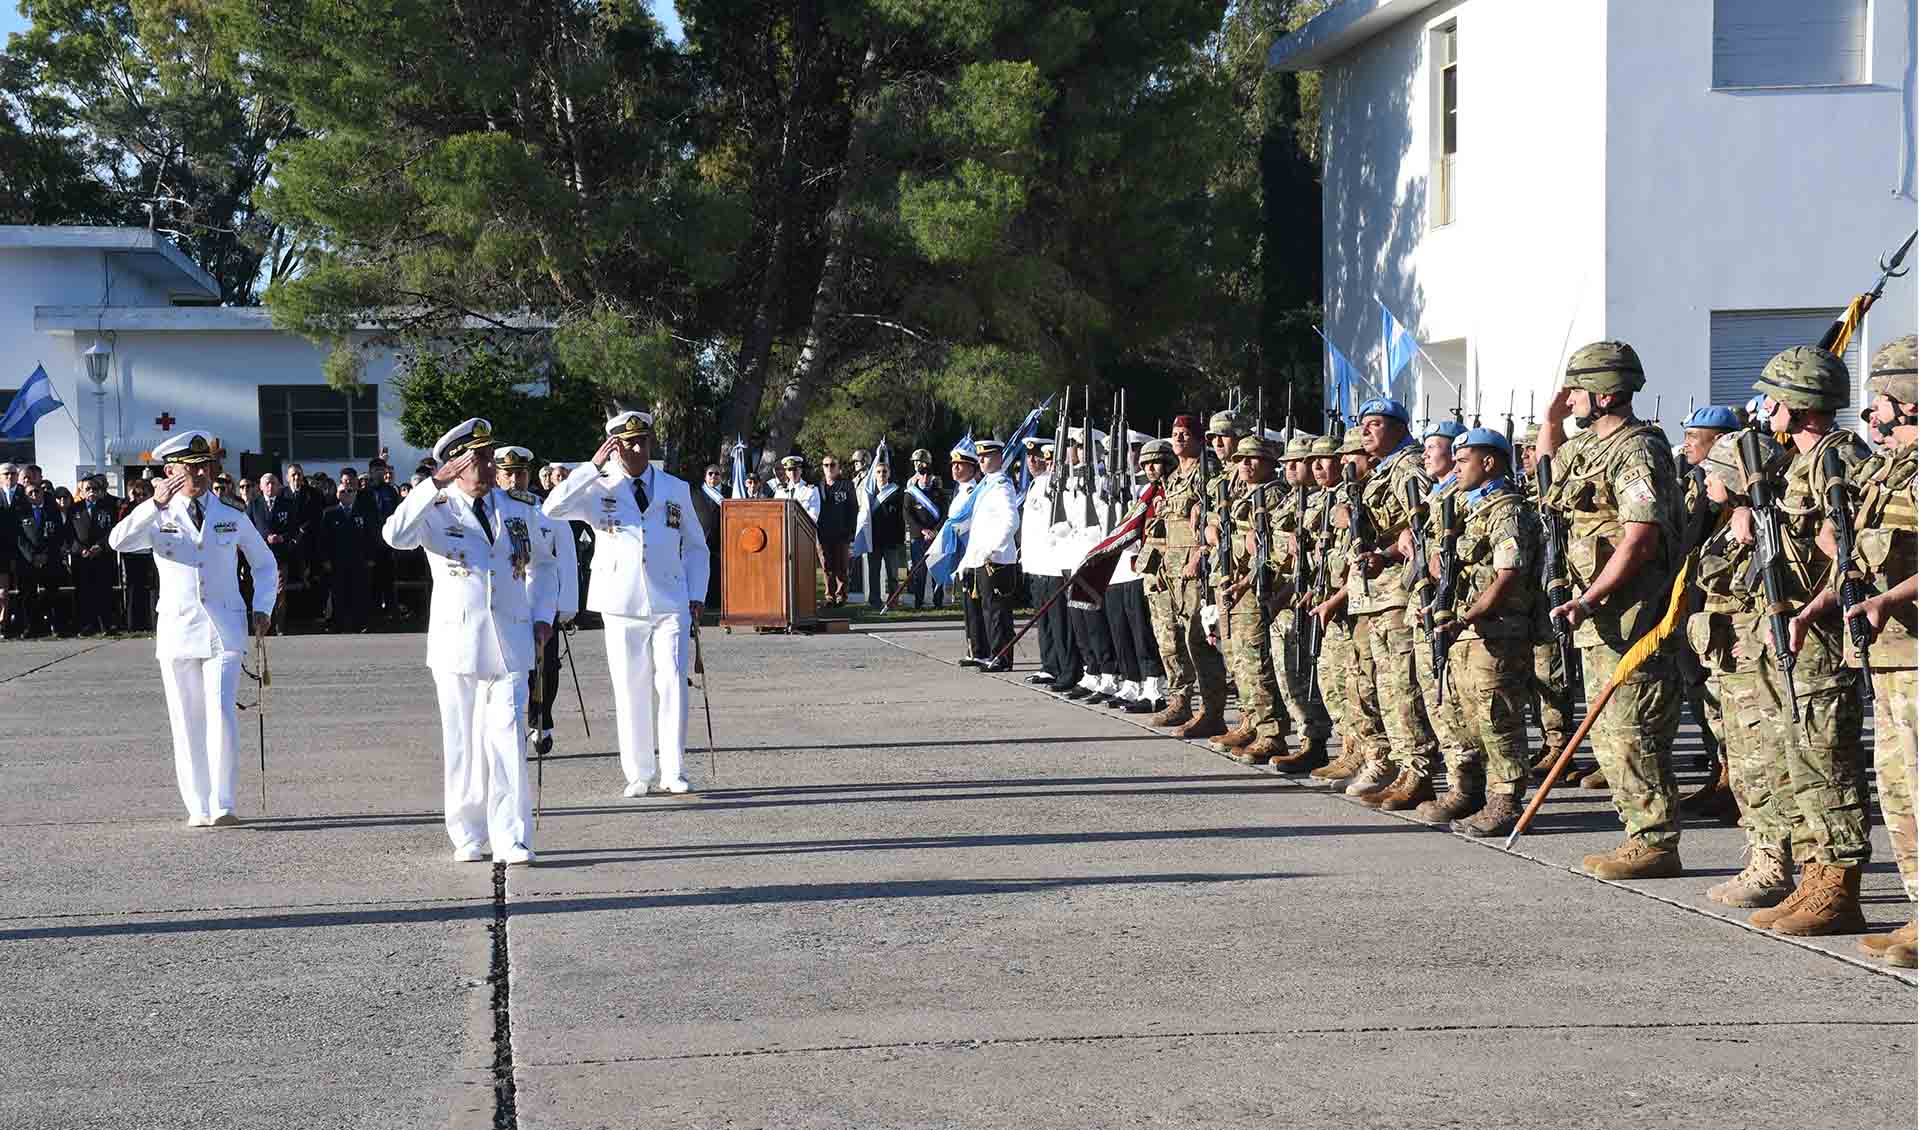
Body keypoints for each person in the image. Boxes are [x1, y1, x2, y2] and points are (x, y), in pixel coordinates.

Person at [1738, 346, 1873, 935]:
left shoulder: (1840, 459)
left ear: (1798, 405)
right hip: (1787, 629)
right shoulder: (1796, 462)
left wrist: (1813, 606)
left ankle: (1839, 888)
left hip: (1819, 635)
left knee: (1827, 759)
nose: (1765, 409)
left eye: (1773, 399)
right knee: (1794, 759)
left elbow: (1851, 556)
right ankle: (1815, 875)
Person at [1539, 341, 1686, 880]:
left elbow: (1639, 538)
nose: (1569, 397)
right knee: (1608, 734)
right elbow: (1550, 476)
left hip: (1633, 615)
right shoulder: (1588, 446)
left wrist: (1589, 597)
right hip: (1600, 617)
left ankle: (1656, 842)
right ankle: (1638, 835)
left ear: (1603, 394)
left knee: (1632, 732)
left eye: (1577, 389)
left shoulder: (1637, 450)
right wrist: (1551, 422)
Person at [383, 419, 554, 863]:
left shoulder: (517, 507)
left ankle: (512, 837)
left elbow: (543, 563)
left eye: (488, 455)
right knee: (462, 743)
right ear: (455, 464)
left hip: (511, 638)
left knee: (508, 737)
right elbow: (395, 536)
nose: (488, 465)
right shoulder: (435, 508)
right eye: (477, 458)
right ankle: (467, 833)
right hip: (457, 642)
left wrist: (542, 614)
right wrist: (432, 484)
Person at [107, 430, 278, 827]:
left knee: (221, 711)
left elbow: (264, 564)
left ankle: (223, 803)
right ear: (170, 472)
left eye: (205, 467)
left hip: (224, 629)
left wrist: (262, 606)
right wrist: (153, 504)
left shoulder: (230, 514)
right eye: (190, 468)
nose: (200, 474)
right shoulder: (157, 515)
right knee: (186, 720)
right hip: (179, 629)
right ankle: (198, 806)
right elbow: (118, 541)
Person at [543, 410, 709, 797]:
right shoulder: (597, 486)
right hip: (620, 600)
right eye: (629, 443)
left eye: (643, 442)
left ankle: (674, 770)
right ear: (614, 447)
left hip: (670, 598)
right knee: (630, 686)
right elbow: (552, 509)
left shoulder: (674, 488)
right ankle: (639, 772)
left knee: (673, 682)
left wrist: (697, 593)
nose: (637, 449)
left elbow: (696, 547)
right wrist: (590, 467)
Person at [1829, 335, 1918, 967]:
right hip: (1888, 655)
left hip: (1913, 651)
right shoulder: (1889, 469)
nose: (1873, 413)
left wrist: (1890, 598)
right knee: (1898, 788)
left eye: (1882, 399)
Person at [1426, 427, 1541, 836]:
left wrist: (1468, 616)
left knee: (1497, 717)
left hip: (1497, 630)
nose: (1455, 469)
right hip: (1469, 628)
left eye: (1463, 461)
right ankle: (1472, 792)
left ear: (1489, 463)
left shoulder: (1506, 510)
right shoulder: (1468, 508)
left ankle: (1506, 800)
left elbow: (1508, 575)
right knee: (1466, 717)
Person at [1342, 397, 1439, 810]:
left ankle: (1418, 771)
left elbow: (1424, 524)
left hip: (1399, 591)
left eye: (1376, 424)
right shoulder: (1383, 469)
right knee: (1385, 685)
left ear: (1399, 428)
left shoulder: (1408, 467)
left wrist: (1388, 552)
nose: (1365, 430)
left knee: (1403, 685)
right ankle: (1402, 767)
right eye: (1363, 423)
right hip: (1378, 594)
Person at [1145, 415, 1230, 736]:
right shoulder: (1173, 478)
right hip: (1171, 569)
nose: (1179, 438)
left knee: (1200, 641)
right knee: (1172, 638)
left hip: (1196, 571)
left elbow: (1212, 520)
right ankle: (1180, 700)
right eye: (1175, 433)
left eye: (1185, 433)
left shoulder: (1206, 472)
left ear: (1198, 439)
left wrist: (1199, 556)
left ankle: (1212, 711)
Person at [1208, 435, 1289, 765]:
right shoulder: (1241, 492)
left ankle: (1270, 733)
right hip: (1232, 586)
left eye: (1253, 458)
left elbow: (1271, 549)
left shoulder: (1272, 495)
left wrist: (1246, 581)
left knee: (1256, 662)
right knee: (1238, 661)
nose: (1245, 463)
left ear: (1269, 463)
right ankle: (1251, 722)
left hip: (1253, 589)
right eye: (1241, 458)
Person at [494, 446, 579, 756]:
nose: (515, 480)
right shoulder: (491, 511)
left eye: (520, 474)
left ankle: (541, 720)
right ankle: (514, 727)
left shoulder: (546, 511)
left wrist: (566, 605)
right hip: (508, 602)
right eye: (508, 474)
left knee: (547, 667)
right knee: (513, 671)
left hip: (543, 602)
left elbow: (563, 560)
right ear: (498, 477)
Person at [960, 438, 1019, 671]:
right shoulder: (985, 485)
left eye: (986, 456)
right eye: (980, 456)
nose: (981, 460)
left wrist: (993, 549)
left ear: (998, 458)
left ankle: (1001, 658)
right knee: (986, 610)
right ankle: (988, 654)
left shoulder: (1002, 486)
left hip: (996, 560)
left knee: (997, 613)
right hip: (982, 558)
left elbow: (1011, 521)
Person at [318, 477, 374, 632]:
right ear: (337, 495)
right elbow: (323, 539)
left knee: (358, 592)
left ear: (355, 493)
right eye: (343, 491)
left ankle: (360, 624)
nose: (347, 494)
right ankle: (339, 624)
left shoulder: (363, 512)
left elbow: (370, 536)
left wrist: (370, 557)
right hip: (337, 560)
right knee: (338, 593)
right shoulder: (329, 513)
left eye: (350, 491)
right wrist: (325, 560)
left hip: (359, 559)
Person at [13, 481, 68, 638]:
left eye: (37, 491)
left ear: (42, 492)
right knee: (28, 595)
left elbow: (58, 535)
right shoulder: (20, 512)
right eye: (30, 493)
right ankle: (31, 627)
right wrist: (32, 556)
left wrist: (46, 555)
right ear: (26, 496)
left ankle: (56, 626)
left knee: (52, 594)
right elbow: (19, 537)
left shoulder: (52, 510)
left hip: (49, 559)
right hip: (28, 560)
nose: (34, 495)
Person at [67, 476, 119, 636]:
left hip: (102, 555)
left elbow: (113, 530)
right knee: (84, 592)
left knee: (104, 591)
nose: (91, 492)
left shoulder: (109, 508)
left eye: (94, 489)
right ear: (82, 492)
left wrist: (100, 546)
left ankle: (107, 625)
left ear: (100, 491)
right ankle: (87, 625)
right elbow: (69, 534)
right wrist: (80, 549)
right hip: (81, 558)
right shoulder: (74, 509)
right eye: (88, 489)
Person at [249, 472, 299, 632]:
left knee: (279, 591)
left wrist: (282, 537)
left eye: (273, 483)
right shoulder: (254, 505)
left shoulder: (288, 504)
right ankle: (263, 627)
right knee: (262, 591)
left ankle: (279, 626)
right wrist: (266, 537)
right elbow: (248, 529)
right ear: (261, 487)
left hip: (280, 555)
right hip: (260, 556)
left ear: (278, 486)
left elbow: (294, 528)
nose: (270, 486)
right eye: (267, 483)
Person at [904, 449, 948, 607]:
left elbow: (945, 514)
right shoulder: (911, 494)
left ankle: (938, 601)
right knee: (919, 571)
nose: (925, 477)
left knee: (937, 569)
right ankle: (918, 601)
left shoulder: (939, 493)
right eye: (922, 474)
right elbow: (908, 515)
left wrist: (935, 531)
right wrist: (922, 530)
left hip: (936, 536)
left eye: (928, 474)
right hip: (918, 537)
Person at [865, 455, 907, 608]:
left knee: (893, 574)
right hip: (874, 539)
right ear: (874, 474)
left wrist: (900, 538)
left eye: (884, 471)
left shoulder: (897, 491)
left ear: (889, 474)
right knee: (874, 573)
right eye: (878, 472)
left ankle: (893, 601)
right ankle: (874, 600)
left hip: (891, 540)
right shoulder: (869, 493)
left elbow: (901, 517)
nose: (881, 474)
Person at [817, 454, 858, 606]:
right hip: (823, 534)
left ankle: (841, 595)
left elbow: (853, 509)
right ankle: (829, 596)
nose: (829, 468)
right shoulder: (817, 486)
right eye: (826, 465)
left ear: (838, 467)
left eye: (832, 465)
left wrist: (851, 532)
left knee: (841, 566)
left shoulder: (847, 485)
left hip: (842, 533)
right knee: (826, 566)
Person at [116, 477, 156, 631]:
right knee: (133, 588)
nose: (141, 498)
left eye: (145, 494)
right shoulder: (129, 508)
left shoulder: (156, 507)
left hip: (150, 553)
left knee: (150, 587)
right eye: (138, 494)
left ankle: (150, 622)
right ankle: (133, 624)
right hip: (132, 553)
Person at [774, 454, 821, 521]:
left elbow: (814, 516)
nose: (792, 472)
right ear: (786, 472)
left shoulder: (811, 490)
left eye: (795, 469)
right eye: (789, 469)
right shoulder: (780, 491)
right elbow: (776, 512)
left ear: (801, 470)